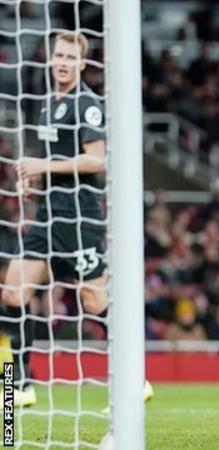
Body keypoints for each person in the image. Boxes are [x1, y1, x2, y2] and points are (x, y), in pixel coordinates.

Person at [2, 31, 153, 407]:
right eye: (59, 55)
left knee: (93, 301)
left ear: (83, 63)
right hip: (47, 216)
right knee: (13, 291)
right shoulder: (46, 102)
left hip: (79, 216)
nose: (64, 62)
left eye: (71, 56)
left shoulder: (86, 104)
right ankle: (20, 384)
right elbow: (56, 160)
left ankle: (138, 379)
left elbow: (96, 159)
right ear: (51, 58)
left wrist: (42, 164)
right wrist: (35, 178)